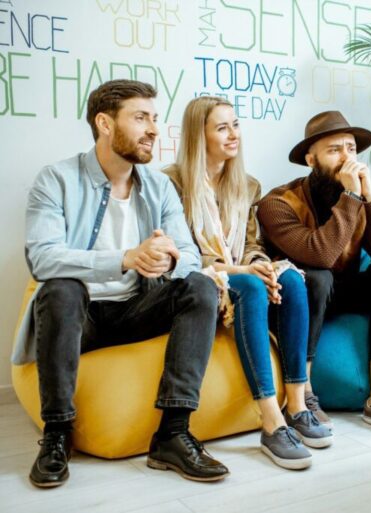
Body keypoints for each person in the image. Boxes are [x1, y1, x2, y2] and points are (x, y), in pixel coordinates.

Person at [16, 80, 230, 488]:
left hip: (136, 308)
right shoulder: (56, 179)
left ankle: (172, 433)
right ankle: (57, 435)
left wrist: (167, 255)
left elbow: (188, 255)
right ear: (105, 123)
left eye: (154, 117)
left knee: (200, 287)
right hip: (80, 320)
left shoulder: (159, 186)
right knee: (61, 288)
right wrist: (125, 258)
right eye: (140, 118)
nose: (153, 128)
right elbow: (42, 258)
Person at [165, 96, 331, 470]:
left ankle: (298, 405)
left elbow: (253, 245)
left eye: (235, 125)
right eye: (221, 127)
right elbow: (183, 253)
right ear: (199, 135)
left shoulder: (247, 185)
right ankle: (271, 421)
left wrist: (262, 266)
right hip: (197, 279)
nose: (233, 134)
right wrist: (246, 273)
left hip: (241, 270)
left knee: (291, 279)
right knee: (253, 287)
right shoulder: (171, 183)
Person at [257, 111, 371, 438]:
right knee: (315, 276)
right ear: (311, 159)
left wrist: (369, 196)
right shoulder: (278, 202)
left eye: (351, 149)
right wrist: (351, 198)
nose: (347, 159)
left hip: (343, 289)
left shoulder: (359, 195)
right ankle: (305, 395)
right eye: (334, 150)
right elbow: (320, 255)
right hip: (294, 300)